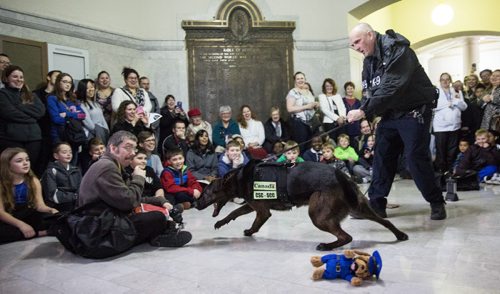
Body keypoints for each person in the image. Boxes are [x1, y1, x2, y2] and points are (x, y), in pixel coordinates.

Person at [347, 23, 446, 220]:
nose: (356, 47)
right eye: (353, 45)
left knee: (415, 158)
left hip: (414, 111)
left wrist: (364, 110)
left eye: (358, 42)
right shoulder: (368, 61)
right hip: (390, 114)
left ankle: (436, 202)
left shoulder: (401, 51)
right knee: (382, 156)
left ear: (370, 35)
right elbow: (369, 91)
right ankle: (376, 205)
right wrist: (366, 113)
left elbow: (392, 85)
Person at [78, 131, 191, 248]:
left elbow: (132, 198)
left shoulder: (112, 165)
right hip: (99, 232)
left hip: (104, 221)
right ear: (113, 148)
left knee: (157, 214)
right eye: (128, 148)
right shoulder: (107, 167)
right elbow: (129, 202)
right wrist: (138, 178)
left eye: (134, 149)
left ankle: (161, 232)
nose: (132, 153)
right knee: (156, 217)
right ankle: (159, 234)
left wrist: (160, 201)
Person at [0, 147, 58, 244]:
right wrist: (21, 225)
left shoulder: (33, 181)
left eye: (27, 160)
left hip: (27, 213)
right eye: (19, 161)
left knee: (56, 219)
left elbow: (39, 205)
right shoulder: (1, 184)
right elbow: (1, 212)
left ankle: (32, 231)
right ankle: (39, 233)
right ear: (8, 165)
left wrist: (50, 210)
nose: (25, 163)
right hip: (9, 217)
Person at [0, 65, 46, 176]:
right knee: (11, 172)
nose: (19, 79)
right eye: (15, 76)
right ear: (6, 78)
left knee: (30, 171)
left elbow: (40, 112)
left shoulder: (31, 95)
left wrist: (19, 106)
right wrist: (32, 118)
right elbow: (9, 113)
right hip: (12, 139)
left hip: (34, 138)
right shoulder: (2, 94)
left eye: (21, 77)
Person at [47, 73, 86, 165]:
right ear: (58, 83)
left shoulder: (72, 99)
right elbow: (56, 119)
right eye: (65, 82)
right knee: (61, 165)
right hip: (60, 135)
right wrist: (74, 114)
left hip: (74, 135)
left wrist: (67, 114)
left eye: (70, 82)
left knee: (73, 164)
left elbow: (83, 116)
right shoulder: (52, 98)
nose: (68, 84)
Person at [433, 72, 467, 173]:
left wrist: (456, 102)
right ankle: (441, 172)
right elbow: (433, 107)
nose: (445, 81)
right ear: (440, 81)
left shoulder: (456, 91)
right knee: (441, 150)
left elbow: (464, 107)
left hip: (454, 125)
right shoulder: (435, 92)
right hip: (440, 126)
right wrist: (448, 103)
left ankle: (450, 171)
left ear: (450, 80)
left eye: (447, 79)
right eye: (443, 79)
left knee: (452, 151)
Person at [33, 70, 61, 175]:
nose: (58, 78)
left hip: (56, 131)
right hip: (41, 131)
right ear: (48, 77)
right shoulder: (37, 94)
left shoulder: (60, 96)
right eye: (56, 76)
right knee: (41, 161)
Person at [41, 142, 82, 213]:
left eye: (70, 152)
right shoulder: (50, 171)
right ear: (56, 156)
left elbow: (81, 190)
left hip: (75, 206)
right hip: (58, 208)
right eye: (64, 152)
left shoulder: (76, 170)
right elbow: (53, 196)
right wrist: (75, 196)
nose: (68, 154)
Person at [286, 72, 319, 152]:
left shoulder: (308, 92)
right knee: (302, 146)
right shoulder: (293, 92)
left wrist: (315, 105)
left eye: (302, 78)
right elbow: (289, 109)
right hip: (299, 123)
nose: (300, 80)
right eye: (298, 79)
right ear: (295, 81)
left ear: (305, 79)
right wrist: (306, 107)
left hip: (311, 123)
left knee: (311, 145)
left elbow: (311, 105)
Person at [76, 79, 109, 145]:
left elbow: (102, 119)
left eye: (92, 87)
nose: (91, 89)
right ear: (82, 90)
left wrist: (106, 130)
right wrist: (98, 131)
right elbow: (89, 125)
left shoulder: (96, 104)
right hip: (92, 135)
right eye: (87, 88)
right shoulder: (81, 105)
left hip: (102, 132)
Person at [318, 78, 346, 142]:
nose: (329, 87)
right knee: (332, 141)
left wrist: (342, 117)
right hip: (329, 123)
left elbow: (343, 107)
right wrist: (337, 118)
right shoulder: (322, 96)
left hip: (341, 122)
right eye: (327, 86)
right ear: (324, 87)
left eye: (331, 86)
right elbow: (324, 110)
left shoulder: (338, 96)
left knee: (342, 140)